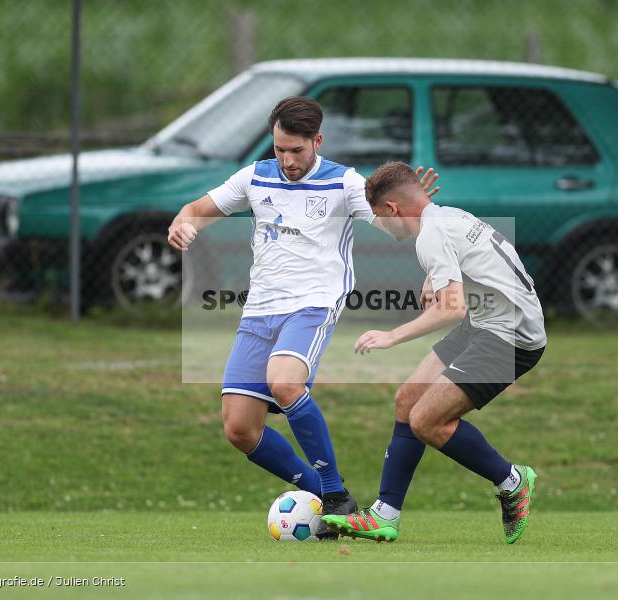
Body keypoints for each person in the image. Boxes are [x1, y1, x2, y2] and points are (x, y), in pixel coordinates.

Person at [167, 98, 438, 520]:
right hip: (259, 310)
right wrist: (183, 225)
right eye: (280, 150)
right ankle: (333, 501)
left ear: (318, 141)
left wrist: (418, 219)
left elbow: (396, 226)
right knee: (240, 429)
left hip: (314, 304)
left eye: (297, 150)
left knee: (285, 382)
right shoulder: (254, 178)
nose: (288, 160)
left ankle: (331, 490)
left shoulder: (344, 183)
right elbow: (195, 211)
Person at [321, 161, 547, 545]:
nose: (381, 226)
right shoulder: (446, 216)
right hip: (486, 322)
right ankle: (384, 516)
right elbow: (462, 253)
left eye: (380, 217)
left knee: (426, 421)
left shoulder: (430, 235)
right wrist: (433, 277)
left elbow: (451, 308)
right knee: (407, 401)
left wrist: (392, 336)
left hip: (511, 338)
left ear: (393, 209)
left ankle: (512, 481)